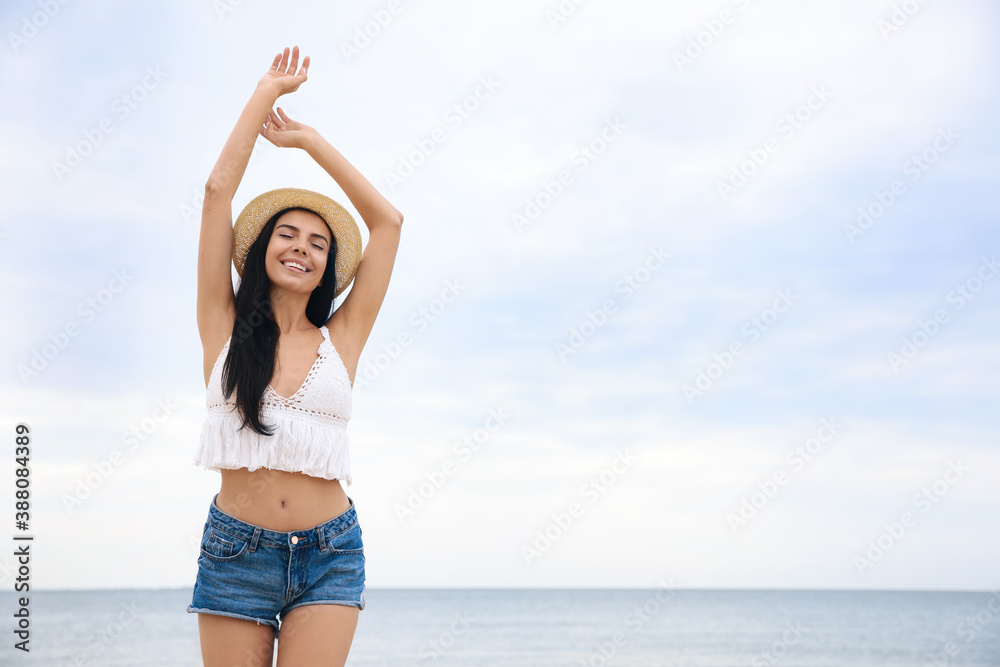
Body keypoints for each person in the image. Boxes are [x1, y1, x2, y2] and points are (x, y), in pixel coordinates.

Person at [185, 45, 403, 667]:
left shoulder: (345, 337)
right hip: (235, 551)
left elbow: (387, 223)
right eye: (288, 234)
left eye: (318, 243)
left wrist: (310, 143)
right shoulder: (222, 325)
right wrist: (264, 98)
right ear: (262, 249)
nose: (302, 249)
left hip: (331, 551)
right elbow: (215, 193)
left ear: (328, 267)